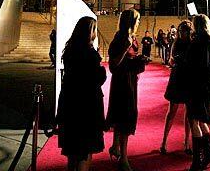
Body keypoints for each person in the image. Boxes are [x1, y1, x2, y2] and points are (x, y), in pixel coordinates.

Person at [56, 17, 106, 171]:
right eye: (94, 30)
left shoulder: (70, 51)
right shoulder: (90, 54)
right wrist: (101, 67)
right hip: (88, 107)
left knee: (73, 152)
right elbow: (97, 79)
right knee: (85, 152)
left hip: (70, 104)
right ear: (90, 32)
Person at [106, 9, 149, 171]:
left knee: (123, 115)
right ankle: (123, 158)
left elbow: (129, 60)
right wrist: (126, 48)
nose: (139, 23)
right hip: (122, 83)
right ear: (130, 21)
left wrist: (140, 59)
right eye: (137, 20)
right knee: (125, 116)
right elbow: (114, 65)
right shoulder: (120, 38)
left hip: (130, 81)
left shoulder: (131, 37)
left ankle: (116, 147)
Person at [184, 14, 210, 170]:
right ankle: (208, 154)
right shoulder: (209, 40)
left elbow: (198, 64)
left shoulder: (199, 41)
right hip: (205, 84)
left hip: (196, 84)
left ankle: (198, 160)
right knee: (201, 119)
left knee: (193, 120)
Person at [160, 20, 192, 155]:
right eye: (179, 31)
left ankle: (187, 142)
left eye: (183, 31)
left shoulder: (192, 44)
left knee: (189, 113)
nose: (180, 33)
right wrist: (175, 60)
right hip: (177, 77)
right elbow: (170, 60)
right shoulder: (176, 43)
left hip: (187, 78)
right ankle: (164, 141)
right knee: (171, 111)